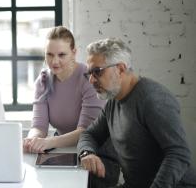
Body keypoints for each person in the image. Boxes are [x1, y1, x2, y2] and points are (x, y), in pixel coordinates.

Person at [78, 38, 196, 187]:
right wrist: (87, 153)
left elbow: (179, 153)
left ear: (120, 69)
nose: (91, 80)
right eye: (89, 73)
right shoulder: (113, 102)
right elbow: (89, 134)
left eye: (96, 72)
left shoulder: (152, 99)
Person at [23, 26, 120, 187]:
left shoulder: (89, 79)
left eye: (61, 55)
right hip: (64, 151)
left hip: (98, 155)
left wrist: (48, 142)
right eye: (49, 54)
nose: (54, 61)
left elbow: (86, 132)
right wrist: (32, 139)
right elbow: (39, 126)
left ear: (74, 52)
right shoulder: (43, 80)